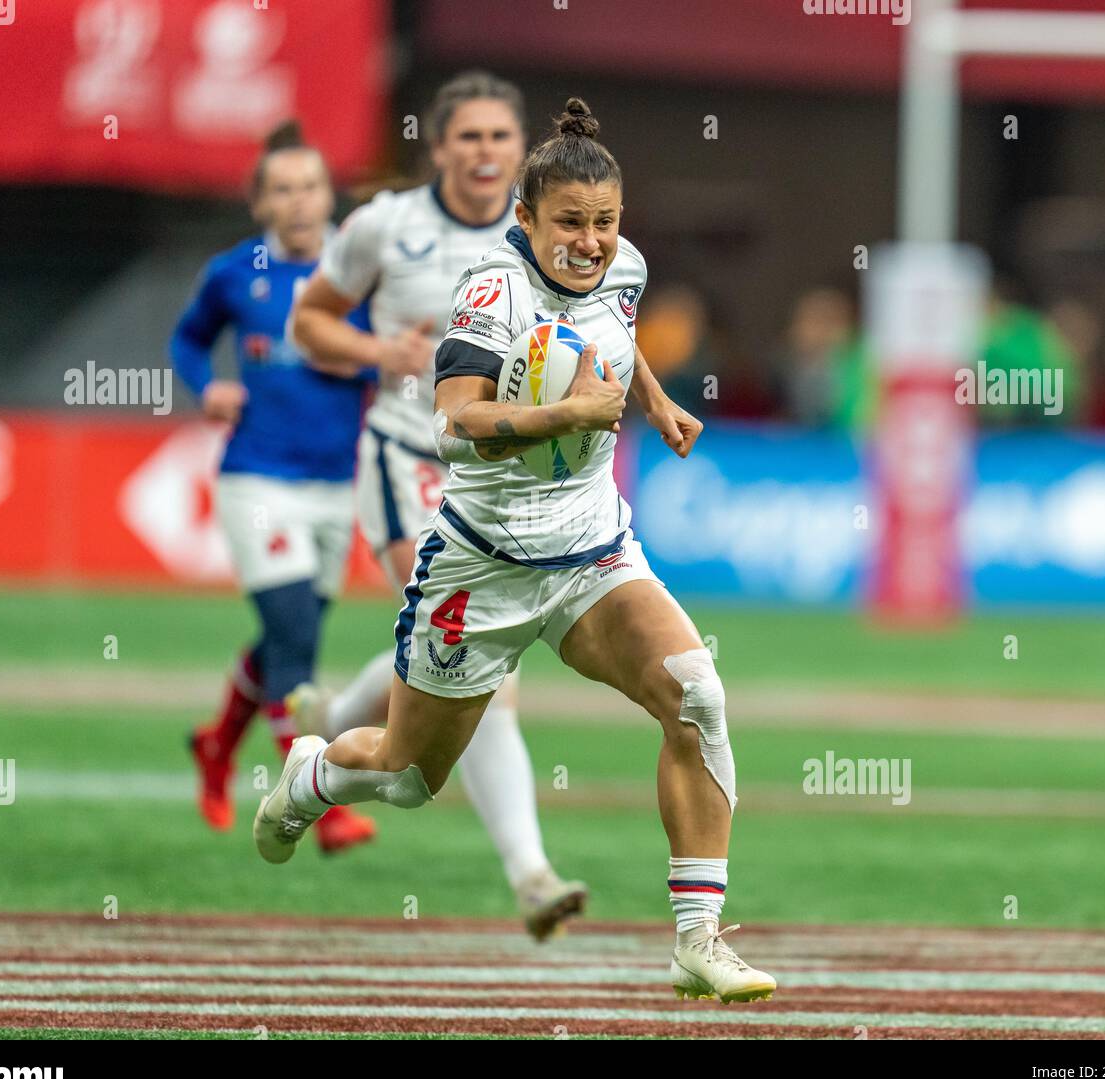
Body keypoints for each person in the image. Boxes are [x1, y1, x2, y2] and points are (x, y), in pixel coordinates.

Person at [258, 98, 777, 1003]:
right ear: (525, 221)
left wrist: (652, 402)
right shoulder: (492, 292)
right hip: (481, 562)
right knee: (411, 778)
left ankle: (699, 938)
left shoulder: (627, 268)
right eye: (569, 223)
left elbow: (613, 328)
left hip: (589, 550)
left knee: (695, 696)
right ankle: (310, 775)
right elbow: (455, 423)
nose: (590, 242)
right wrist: (564, 414)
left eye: (606, 222)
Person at [287, 72, 587, 940]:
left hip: (502, 477)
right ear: (439, 146)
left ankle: (333, 721)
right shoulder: (387, 226)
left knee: (459, 649)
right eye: (469, 137)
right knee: (486, 665)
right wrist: (381, 347)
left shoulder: (543, 231)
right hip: (409, 459)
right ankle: (532, 876)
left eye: (500, 136)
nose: (486, 152)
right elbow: (313, 320)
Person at [171, 122, 375, 853]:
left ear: (330, 196)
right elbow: (188, 338)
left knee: (287, 640)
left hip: (334, 486)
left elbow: (390, 358)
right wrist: (207, 386)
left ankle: (217, 745)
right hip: (256, 478)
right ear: (260, 203)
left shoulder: (359, 277)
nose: (298, 201)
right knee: (295, 645)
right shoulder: (235, 274)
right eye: (281, 189)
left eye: (310, 186)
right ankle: (322, 801)